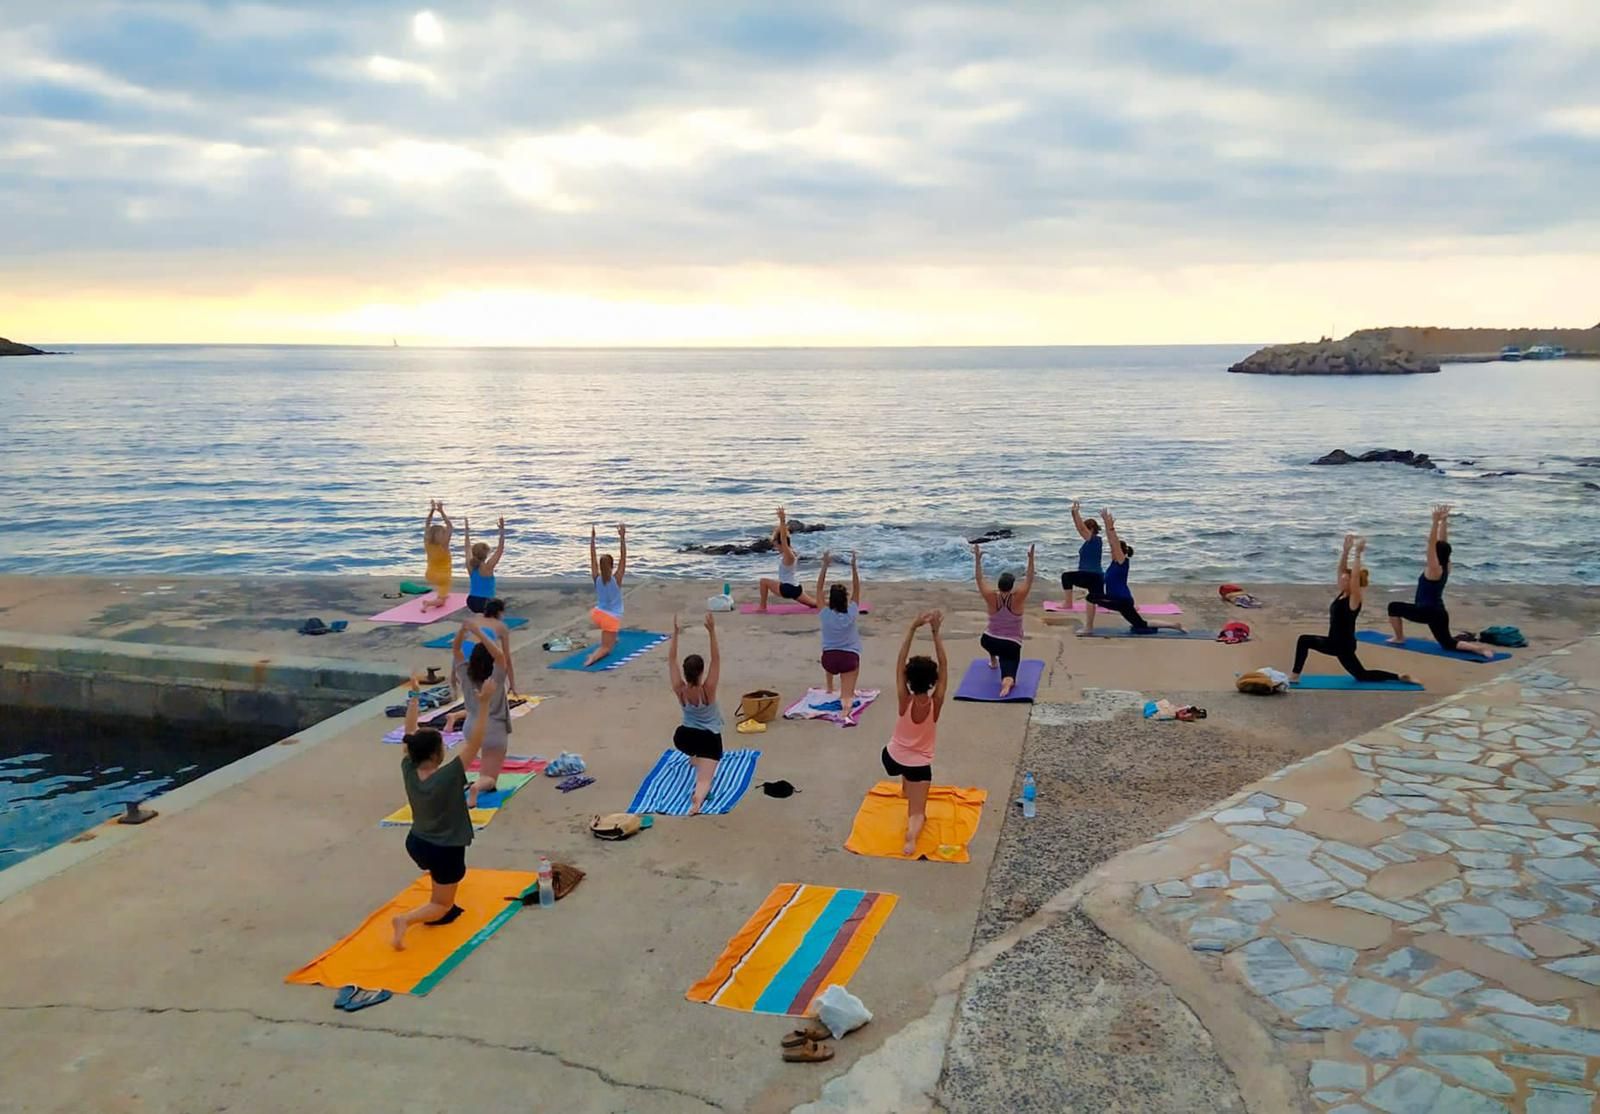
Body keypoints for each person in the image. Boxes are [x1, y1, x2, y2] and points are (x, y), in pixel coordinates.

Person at [392, 668, 487, 949]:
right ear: (436, 754)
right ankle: (405, 921)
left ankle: (436, 897)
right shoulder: (447, 776)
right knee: (441, 904)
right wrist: (484, 704)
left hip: (417, 842)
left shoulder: (408, 768)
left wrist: (414, 698)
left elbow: (409, 734)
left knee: (441, 882)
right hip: (443, 847)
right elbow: (476, 741)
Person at [1290, 535, 1415, 685]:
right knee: (1362, 675)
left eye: (1344, 579)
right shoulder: (1342, 594)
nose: (1341, 580)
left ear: (1352, 583)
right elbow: (1341, 570)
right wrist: (1345, 551)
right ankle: (1399, 676)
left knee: (1304, 640)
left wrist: (1357, 553)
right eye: (1342, 578)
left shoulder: (1354, 600)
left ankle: (1295, 676)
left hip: (1342, 645)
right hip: (1337, 643)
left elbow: (1354, 577)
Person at [1387, 505, 1496, 659]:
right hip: (1439, 612)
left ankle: (1399, 638)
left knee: (1393, 607)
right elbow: (1443, 544)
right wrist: (1444, 521)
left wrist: (1434, 522)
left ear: (1436, 555)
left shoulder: (1434, 570)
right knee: (1448, 643)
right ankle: (1479, 649)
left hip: (1425, 612)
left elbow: (1431, 545)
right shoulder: (1446, 566)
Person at [883, 611, 949, 857]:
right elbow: (944, 666)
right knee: (919, 813)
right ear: (933, 682)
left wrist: (912, 627)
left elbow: (900, 663)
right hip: (918, 765)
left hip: (891, 758)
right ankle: (911, 838)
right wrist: (935, 632)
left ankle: (904, 788)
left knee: (904, 764)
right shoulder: (936, 702)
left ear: (909, 679)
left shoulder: (904, 699)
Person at [1080, 509, 1187, 636]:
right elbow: (1111, 542)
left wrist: (1110, 526)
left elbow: (1114, 541)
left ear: (1120, 551)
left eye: (1113, 550)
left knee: (1091, 597)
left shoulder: (1122, 561)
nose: (1111, 552)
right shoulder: (1114, 563)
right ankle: (1174, 625)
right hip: (1122, 601)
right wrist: (1107, 525)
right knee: (1140, 624)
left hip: (1120, 600)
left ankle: (1088, 628)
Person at [450, 617, 512, 807]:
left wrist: (463, 631)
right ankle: (477, 787)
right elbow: (501, 656)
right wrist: (479, 632)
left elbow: (456, 650)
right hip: (494, 728)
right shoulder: (496, 677)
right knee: (489, 777)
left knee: (471, 756)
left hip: (471, 727)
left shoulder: (466, 675)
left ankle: (463, 783)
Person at [668, 612, 723, 815]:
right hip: (708, 740)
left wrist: (675, 632)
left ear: (685, 672)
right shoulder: (707, 690)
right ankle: (697, 802)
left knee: (691, 745)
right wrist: (711, 632)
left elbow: (671, 659)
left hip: (684, 738)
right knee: (705, 779)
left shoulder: (679, 689)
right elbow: (716, 659)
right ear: (701, 672)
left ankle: (695, 757)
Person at [974, 541, 1035, 697]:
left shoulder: (990, 597)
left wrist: (977, 560)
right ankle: (1007, 684)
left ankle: (993, 660)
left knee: (990, 638)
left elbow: (979, 580)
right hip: (1010, 644)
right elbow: (1029, 580)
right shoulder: (1017, 599)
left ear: (999, 585)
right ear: (1012, 586)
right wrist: (1031, 559)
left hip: (988, 640)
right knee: (1009, 670)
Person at [816, 549, 864, 724]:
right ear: (845, 600)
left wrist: (825, 565)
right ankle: (845, 710)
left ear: (831, 600)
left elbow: (819, 588)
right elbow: (857, 589)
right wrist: (853, 567)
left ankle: (829, 687)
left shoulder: (824, 613)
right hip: (848, 660)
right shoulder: (851, 612)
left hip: (828, 661)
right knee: (847, 693)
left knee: (828, 649)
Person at [584, 524, 627, 668]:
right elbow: (623, 558)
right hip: (610, 618)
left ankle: (610, 638)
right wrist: (622, 537)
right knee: (606, 649)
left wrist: (592, 540)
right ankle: (593, 658)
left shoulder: (596, 578)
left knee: (610, 635)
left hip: (597, 615)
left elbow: (593, 559)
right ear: (612, 567)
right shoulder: (617, 579)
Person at [758, 507, 817, 610]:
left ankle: (762, 607)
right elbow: (786, 539)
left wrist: (782, 520)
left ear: (781, 545)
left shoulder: (788, 554)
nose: (776, 548)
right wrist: (781, 528)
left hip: (787, 589)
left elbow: (784, 540)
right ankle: (839, 605)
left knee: (763, 581)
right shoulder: (792, 552)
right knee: (815, 604)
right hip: (796, 588)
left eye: (777, 545)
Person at [1059, 500, 1104, 621]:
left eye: (1086, 528)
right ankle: (1129, 605)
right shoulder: (1093, 542)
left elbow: (1081, 528)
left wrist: (1076, 513)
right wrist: (1073, 514)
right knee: (1100, 601)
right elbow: (1079, 528)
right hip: (1096, 578)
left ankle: (1068, 603)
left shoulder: (1094, 540)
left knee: (1066, 577)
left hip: (1090, 577)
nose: (1082, 532)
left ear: (1092, 529)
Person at [463, 515, 506, 614]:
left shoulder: (470, 565)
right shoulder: (488, 567)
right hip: (486, 603)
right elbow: (500, 549)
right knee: (500, 605)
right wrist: (502, 531)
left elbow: (467, 547)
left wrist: (466, 531)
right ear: (486, 554)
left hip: (471, 601)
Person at [420, 501, 454, 612]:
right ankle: (428, 603)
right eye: (443, 533)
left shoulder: (427, 543)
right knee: (441, 602)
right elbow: (450, 526)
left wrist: (432, 510)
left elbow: (427, 524)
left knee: (443, 589)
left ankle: (442, 594)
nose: (445, 534)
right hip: (443, 577)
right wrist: (442, 511)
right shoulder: (444, 545)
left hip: (429, 574)